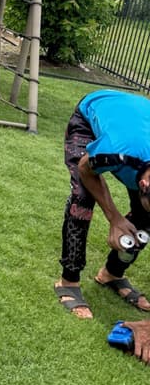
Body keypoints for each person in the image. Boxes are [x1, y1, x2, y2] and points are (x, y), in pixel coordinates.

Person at [55, 89, 150, 320]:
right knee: (82, 199)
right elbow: (86, 170)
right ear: (145, 186)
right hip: (91, 115)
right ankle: (68, 281)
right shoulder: (118, 152)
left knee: (146, 219)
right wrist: (114, 218)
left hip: (134, 120)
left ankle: (112, 274)